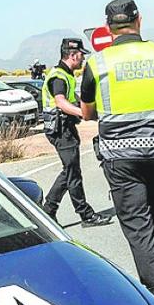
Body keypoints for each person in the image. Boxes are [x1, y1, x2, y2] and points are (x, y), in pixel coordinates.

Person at [80, 0, 154, 304]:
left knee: (138, 224)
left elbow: (86, 113)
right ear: (139, 21)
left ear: (108, 28)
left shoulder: (97, 63)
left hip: (120, 157)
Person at [42, 38, 109, 227]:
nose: (82, 59)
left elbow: (74, 99)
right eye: (81, 55)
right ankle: (85, 215)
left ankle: (48, 211)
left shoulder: (66, 74)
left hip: (65, 129)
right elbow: (61, 102)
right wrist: (83, 113)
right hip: (60, 130)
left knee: (70, 171)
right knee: (73, 174)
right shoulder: (58, 77)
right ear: (72, 55)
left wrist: (94, 113)